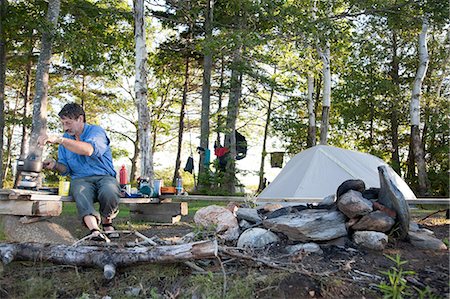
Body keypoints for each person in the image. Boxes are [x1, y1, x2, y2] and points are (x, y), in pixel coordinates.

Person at [38, 103, 120, 241]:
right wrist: (54, 165)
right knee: (80, 191)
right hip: (81, 179)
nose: (65, 127)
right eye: (63, 123)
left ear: (80, 119)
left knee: (109, 191)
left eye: (68, 123)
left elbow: (88, 150)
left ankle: (107, 223)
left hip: (104, 176)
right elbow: (66, 169)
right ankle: (94, 230)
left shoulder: (96, 132)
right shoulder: (65, 140)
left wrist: (60, 140)